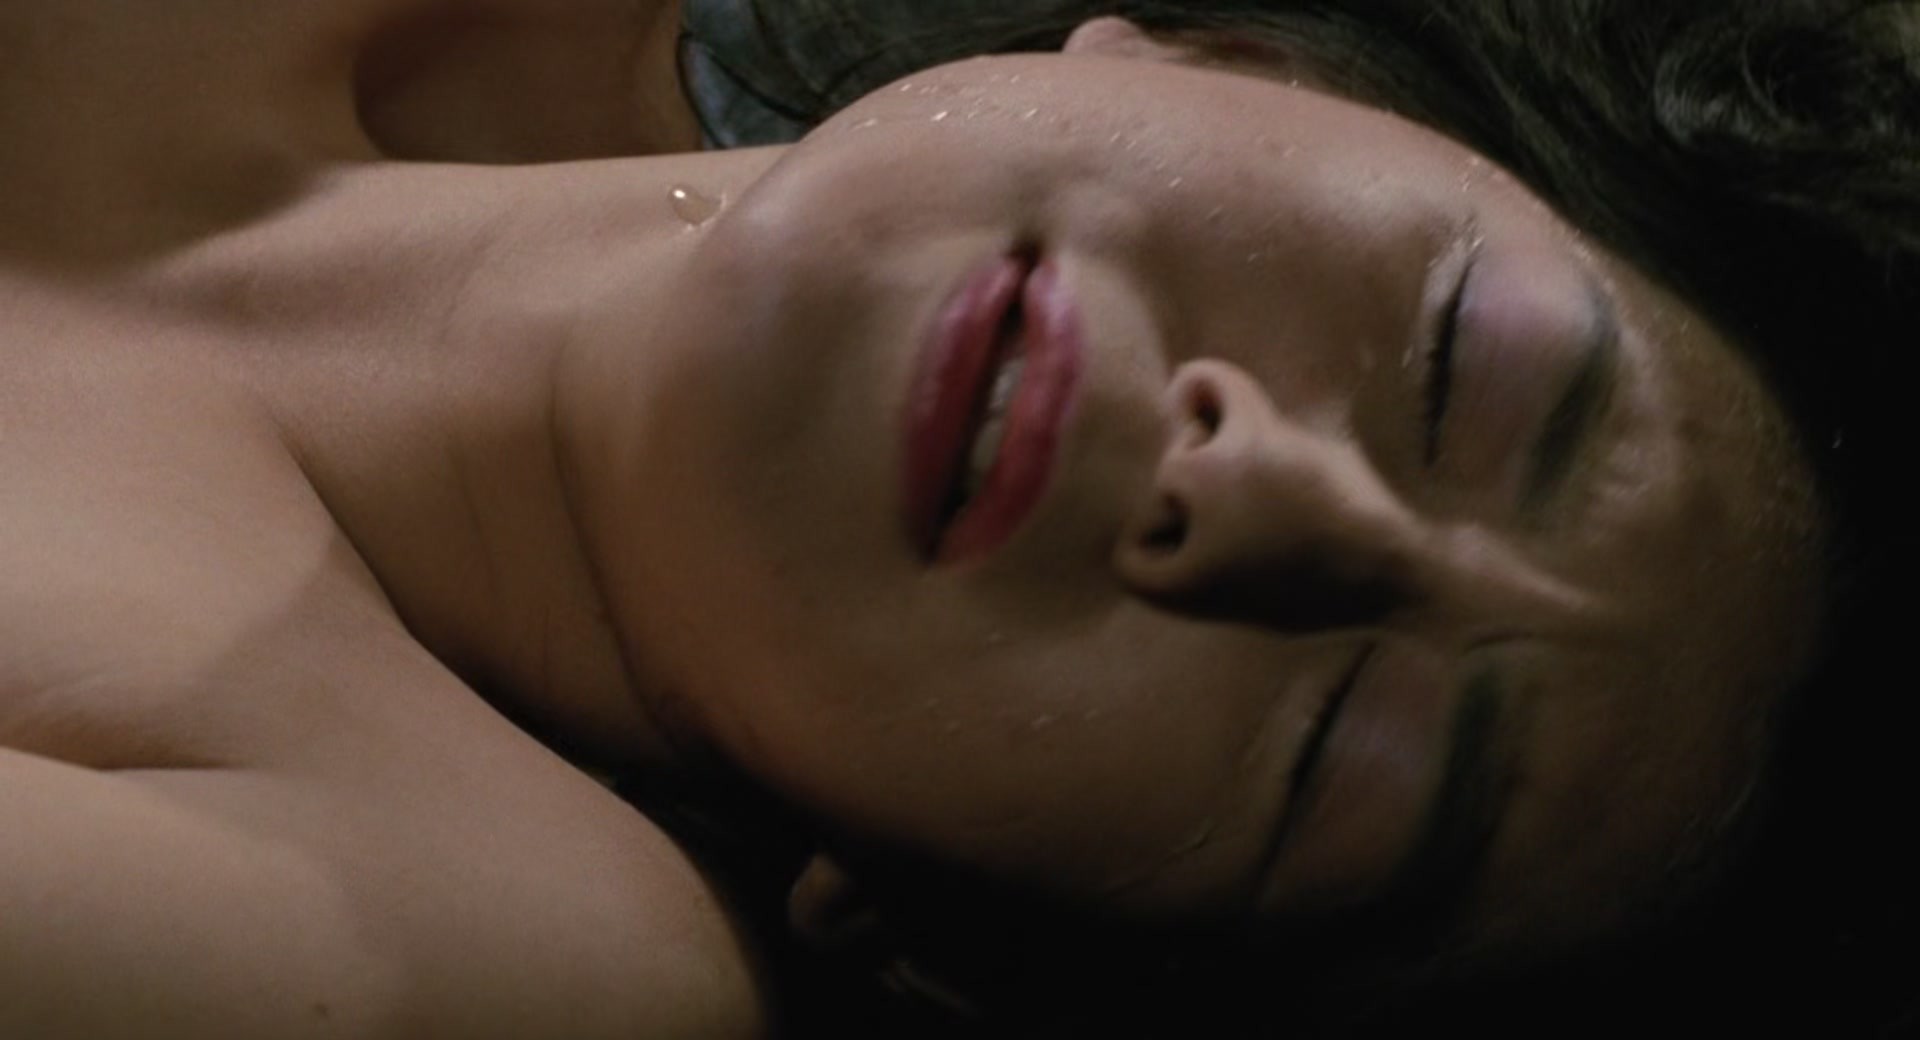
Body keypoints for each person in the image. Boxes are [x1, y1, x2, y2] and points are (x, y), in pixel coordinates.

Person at [0, 2, 1910, 1038]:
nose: (1256, 484)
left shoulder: (492, 945)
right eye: (1456, 363)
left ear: (954, 948)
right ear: (1248, 58)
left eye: (1333, 752)